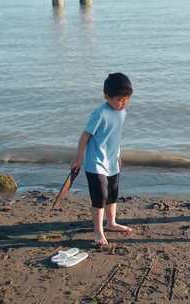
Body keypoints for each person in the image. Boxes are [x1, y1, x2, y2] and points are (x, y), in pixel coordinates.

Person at [71, 73, 134, 246]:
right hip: (95, 163)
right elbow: (84, 137)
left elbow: (115, 137)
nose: (122, 103)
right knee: (100, 197)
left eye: (126, 99)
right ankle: (98, 232)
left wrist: (118, 156)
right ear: (107, 96)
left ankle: (111, 223)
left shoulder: (122, 113)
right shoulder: (100, 113)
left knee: (113, 194)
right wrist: (78, 158)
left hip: (112, 161)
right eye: (119, 99)